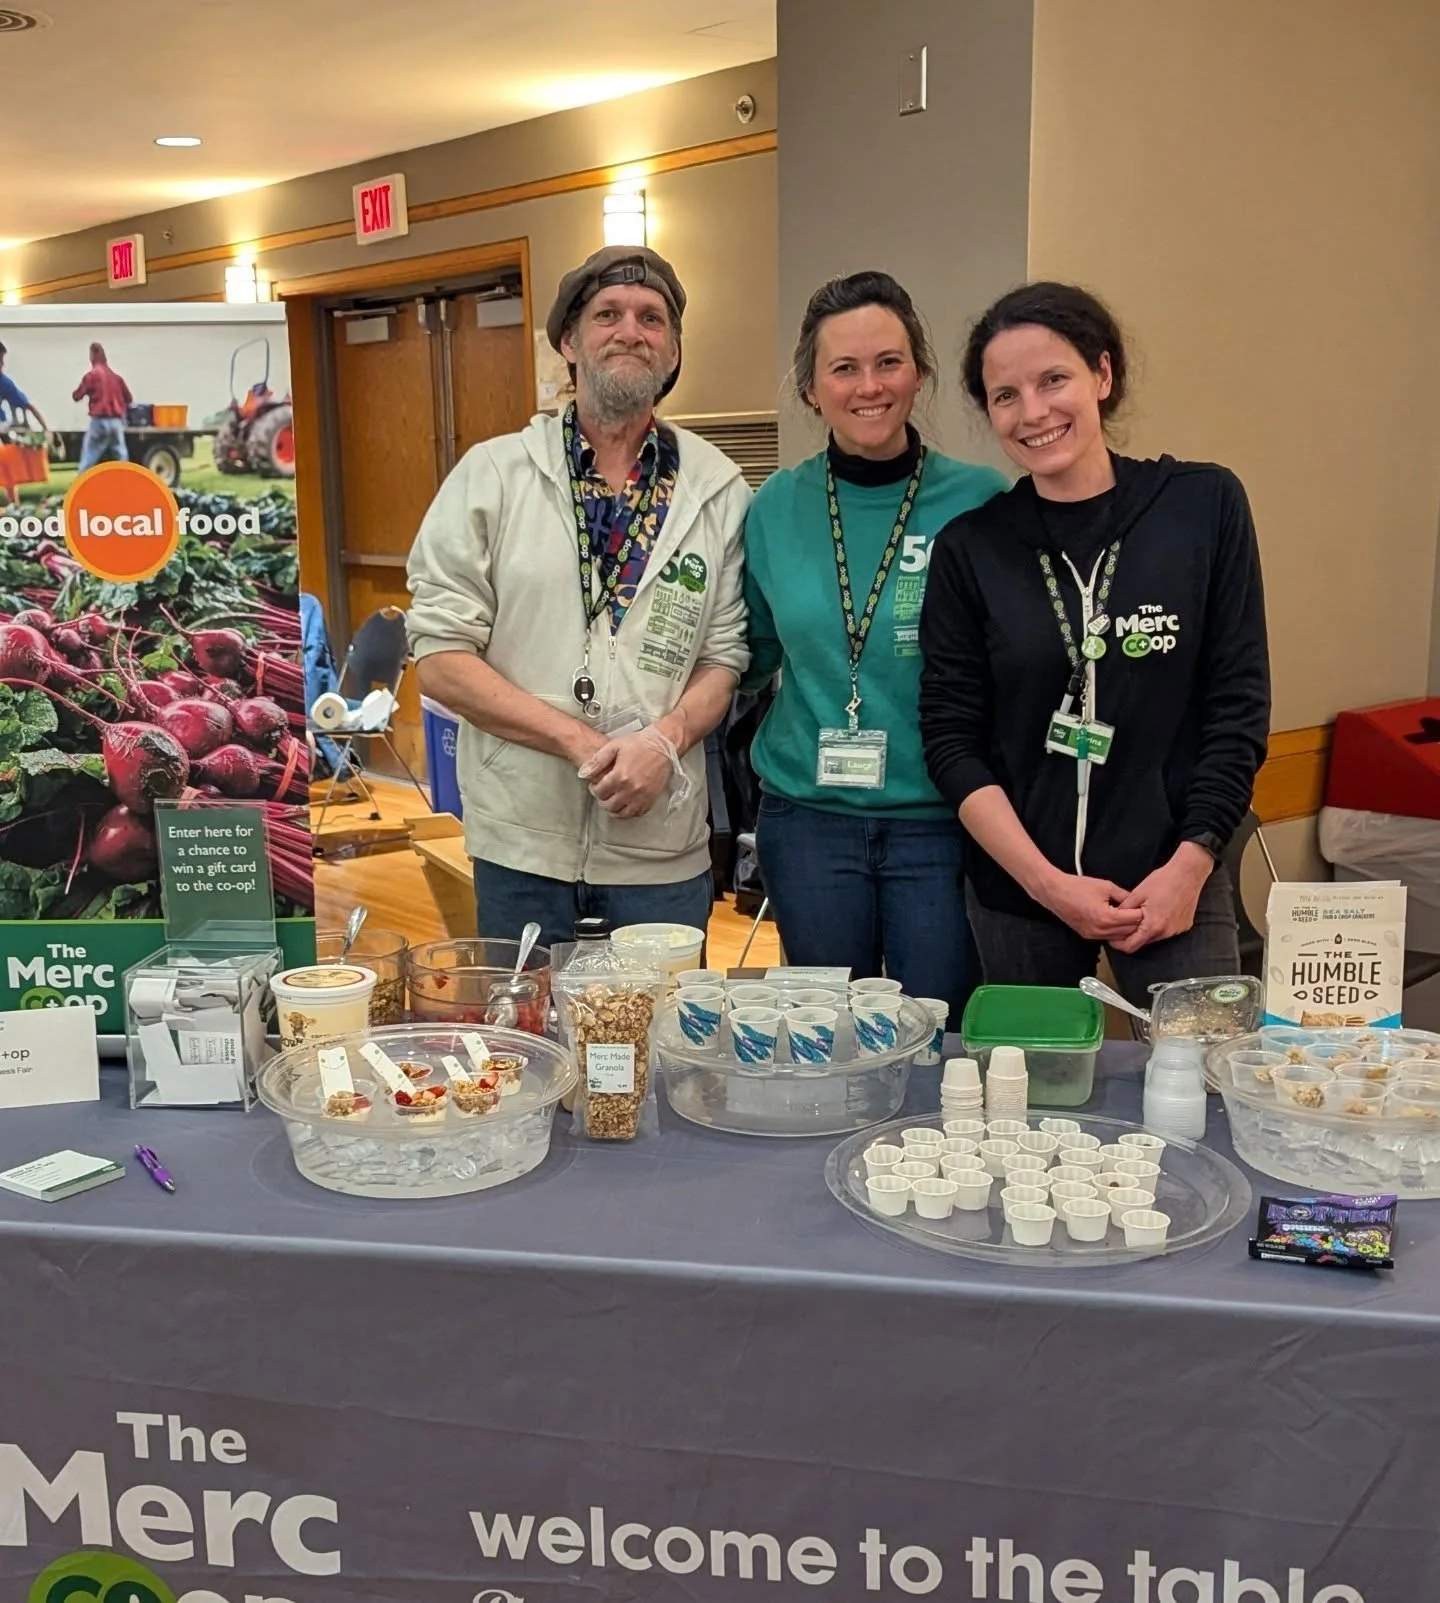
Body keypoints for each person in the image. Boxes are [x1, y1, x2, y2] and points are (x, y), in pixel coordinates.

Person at [918, 281, 1270, 1003]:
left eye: (1054, 379)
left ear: (1102, 376)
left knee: (1196, 1092)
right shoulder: (971, 548)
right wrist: (1048, 886)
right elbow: (952, 740)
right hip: (1021, 893)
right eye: (1005, 395)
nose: (1034, 411)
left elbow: (1236, 707)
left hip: (1174, 882)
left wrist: (1193, 861)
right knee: (1027, 1100)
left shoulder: (1202, 508)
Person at [406, 246, 750, 951]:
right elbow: (440, 656)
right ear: (569, 340)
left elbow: (725, 657)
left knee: (654, 1048)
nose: (632, 330)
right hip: (523, 845)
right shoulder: (493, 477)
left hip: (660, 842)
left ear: (674, 349)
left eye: (652, 318)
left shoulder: (719, 490)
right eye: (608, 315)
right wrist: (579, 741)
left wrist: (664, 740)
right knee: (526, 1044)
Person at [742, 272, 1009, 1016]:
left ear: (918, 373)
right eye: (844, 368)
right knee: (826, 1034)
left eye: (889, 362)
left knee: (937, 1028)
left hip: (941, 818)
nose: (870, 386)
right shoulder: (773, 507)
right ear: (810, 389)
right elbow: (751, 654)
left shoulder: (980, 501)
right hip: (807, 820)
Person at [72, 343, 132, 472]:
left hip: (99, 421)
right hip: (116, 422)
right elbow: (129, 398)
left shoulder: (91, 376)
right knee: (121, 456)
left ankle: (81, 485)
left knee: (89, 457)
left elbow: (77, 396)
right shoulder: (116, 377)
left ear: (92, 355)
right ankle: (127, 482)